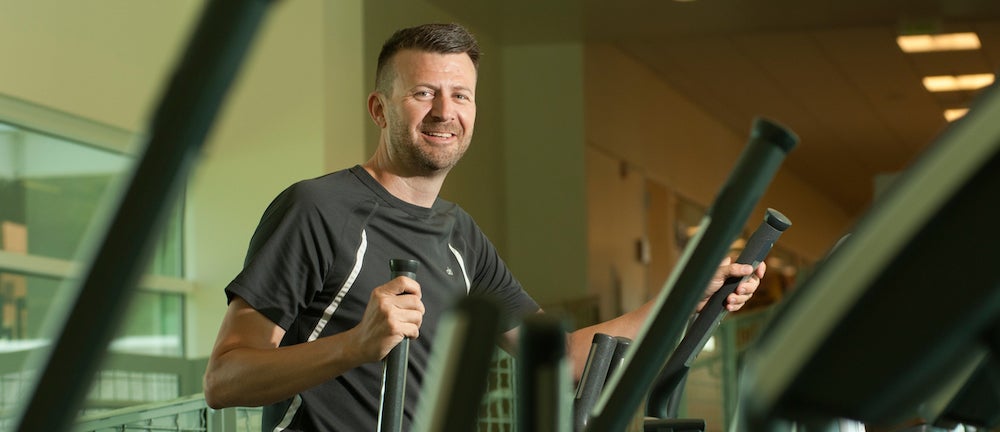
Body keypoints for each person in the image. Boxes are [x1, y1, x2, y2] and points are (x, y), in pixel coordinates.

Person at [202, 22, 765, 431]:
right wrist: (355, 345)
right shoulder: (317, 208)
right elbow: (225, 380)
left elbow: (560, 358)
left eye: (460, 95)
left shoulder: (459, 234)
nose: (445, 111)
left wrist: (688, 296)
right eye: (423, 93)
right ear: (380, 108)